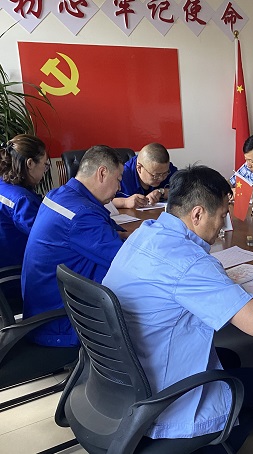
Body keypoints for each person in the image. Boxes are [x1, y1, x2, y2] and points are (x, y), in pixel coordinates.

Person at [102, 165, 253, 451]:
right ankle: (207, 447)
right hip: (160, 399)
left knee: (230, 358)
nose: (223, 225)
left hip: (120, 379)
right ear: (198, 214)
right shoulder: (190, 262)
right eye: (222, 216)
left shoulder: (144, 233)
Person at [22, 145, 124, 347]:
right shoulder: (81, 215)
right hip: (61, 323)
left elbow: (108, 232)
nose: (119, 188)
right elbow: (126, 260)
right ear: (102, 173)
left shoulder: (59, 195)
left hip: (42, 308)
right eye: (118, 179)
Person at [0, 134, 47, 268]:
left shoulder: (4, 185)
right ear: (30, 163)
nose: (45, 171)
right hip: (15, 268)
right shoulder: (22, 200)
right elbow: (45, 237)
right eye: (45, 164)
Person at [112, 143, 177, 209]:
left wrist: (163, 192)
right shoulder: (121, 175)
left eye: (165, 173)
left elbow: (183, 191)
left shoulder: (166, 168)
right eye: (156, 175)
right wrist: (125, 202)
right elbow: (105, 201)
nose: (161, 178)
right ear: (139, 168)